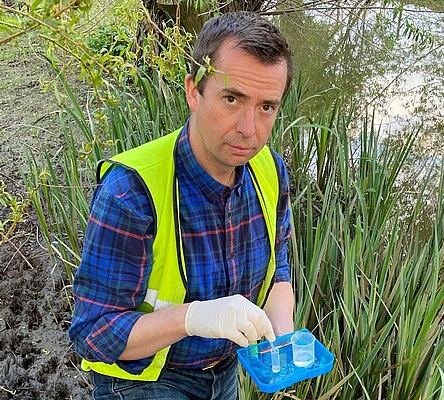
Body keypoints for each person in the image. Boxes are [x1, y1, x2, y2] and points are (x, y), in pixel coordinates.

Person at [68, 11, 295, 400]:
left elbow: (279, 267)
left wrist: (283, 340)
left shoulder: (269, 169)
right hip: (143, 381)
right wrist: (194, 318)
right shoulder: (131, 192)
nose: (249, 129)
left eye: (266, 107)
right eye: (231, 98)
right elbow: (93, 334)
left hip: (224, 373)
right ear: (193, 91)